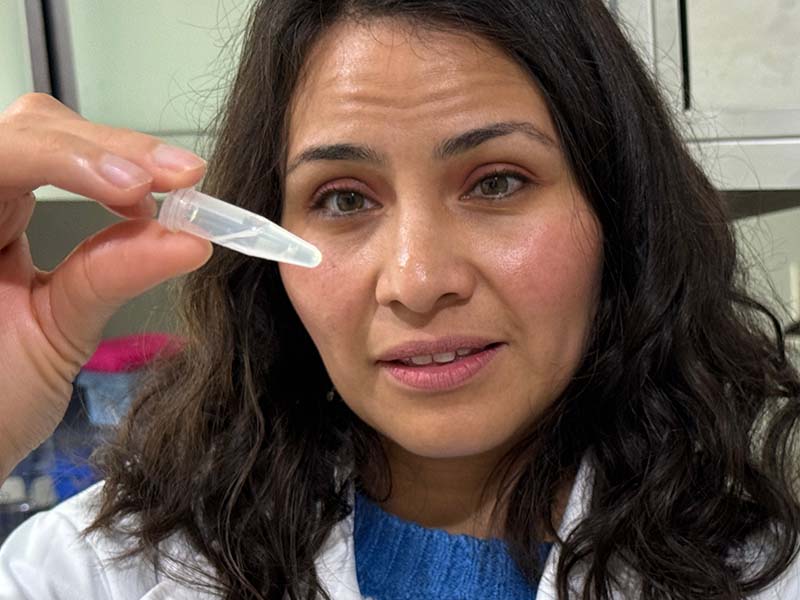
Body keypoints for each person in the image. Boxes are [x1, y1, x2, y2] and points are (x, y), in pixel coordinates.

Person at [1, 0, 799, 598]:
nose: (417, 283)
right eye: (345, 199)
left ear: (617, 212)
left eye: (497, 182)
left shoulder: (769, 573)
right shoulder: (92, 573)